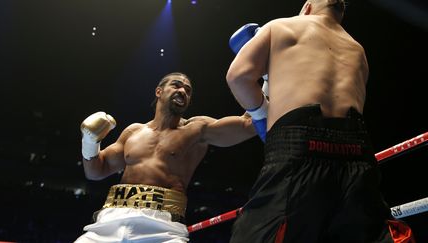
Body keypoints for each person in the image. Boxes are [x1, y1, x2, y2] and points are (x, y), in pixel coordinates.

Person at [225, 0, 416, 242]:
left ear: (306, 7)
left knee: (259, 234)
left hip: (300, 143)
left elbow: (238, 77)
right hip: (357, 149)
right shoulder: (358, 50)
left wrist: (263, 117)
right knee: (369, 232)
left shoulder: (281, 27)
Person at [74, 72, 257, 242]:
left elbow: (248, 123)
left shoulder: (197, 129)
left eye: (188, 90)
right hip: (110, 221)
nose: (183, 91)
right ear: (159, 91)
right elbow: (96, 171)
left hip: (162, 228)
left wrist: (265, 78)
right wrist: (90, 142)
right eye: (176, 85)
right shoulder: (133, 131)